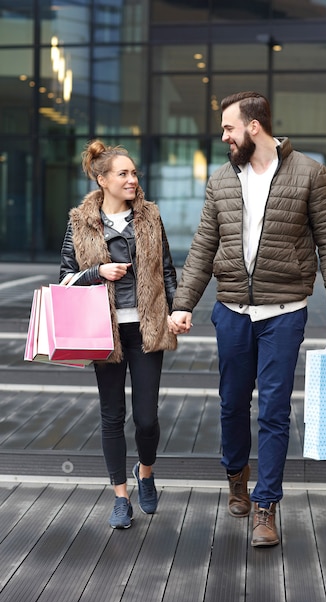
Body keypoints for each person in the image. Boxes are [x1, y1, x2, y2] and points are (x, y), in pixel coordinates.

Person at [170, 92, 326, 548]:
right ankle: (237, 473)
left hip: (284, 313)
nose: (224, 137)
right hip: (231, 310)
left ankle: (266, 503)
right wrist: (183, 304)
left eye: (229, 128)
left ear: (254, 126)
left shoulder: (311, 174)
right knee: (232, 404)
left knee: (273, 410)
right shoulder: (220, 181)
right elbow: (202, 248)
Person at [60, 139, 178, 529]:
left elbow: (168, 271)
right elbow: (64, 279)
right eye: (124, 173)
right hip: (102, 332)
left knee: (146, 418)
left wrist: (177, 311)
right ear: (103, 179)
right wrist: (98, 272)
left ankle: (146, 472)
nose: (133, 179)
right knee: (112, 415)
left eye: (134, 173)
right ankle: (120, 496)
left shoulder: (149, 217)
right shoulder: (79, 221)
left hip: (146, 330)